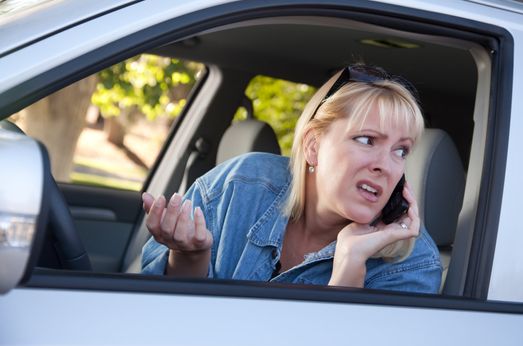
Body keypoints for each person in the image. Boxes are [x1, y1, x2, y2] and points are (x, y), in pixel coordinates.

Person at [141, 64, 442, 293]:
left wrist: (349, 266)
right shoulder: (238, 186)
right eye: (366, 140)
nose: (386, 166)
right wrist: (190, 256)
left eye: (401, 151)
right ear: (314, 146)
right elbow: (159, 317)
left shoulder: (412, 265)